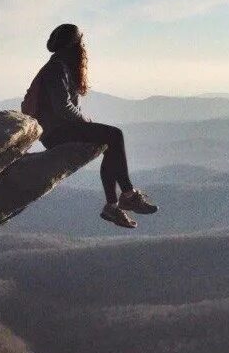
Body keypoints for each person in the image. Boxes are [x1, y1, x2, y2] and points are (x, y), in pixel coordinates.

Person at [23, 23, 158, 229]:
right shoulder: (57, 68)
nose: (83, 46)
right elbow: (63, 107)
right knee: (114, 135)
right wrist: (85, 121)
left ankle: (113, 205)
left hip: (58, 129)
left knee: (109, 143)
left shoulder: (59, 66)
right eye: (80, 42)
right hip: (57, 132)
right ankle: (126, 196)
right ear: (73, 45)